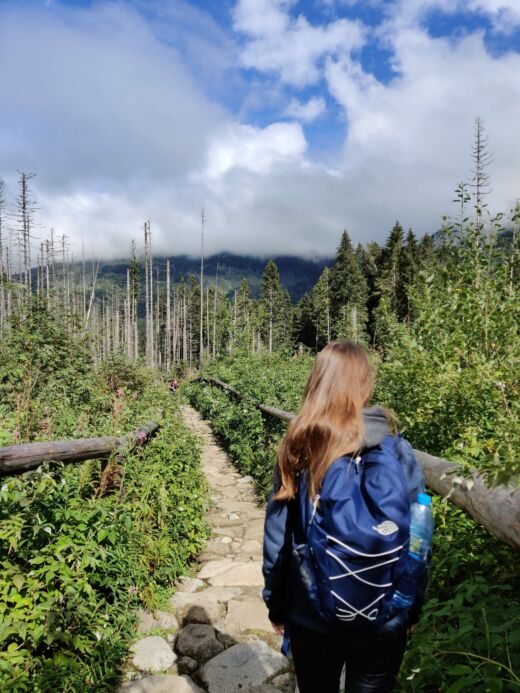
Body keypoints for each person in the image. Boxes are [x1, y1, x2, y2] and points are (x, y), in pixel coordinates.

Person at [262, 341, 426, 693]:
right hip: (384, 617)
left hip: (313, 615)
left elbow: (277, 541)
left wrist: (277, 606)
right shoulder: (398, 450)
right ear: (365, 383)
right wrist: (411, 610)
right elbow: (419, 542)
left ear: (317, 381)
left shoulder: (300, 446)